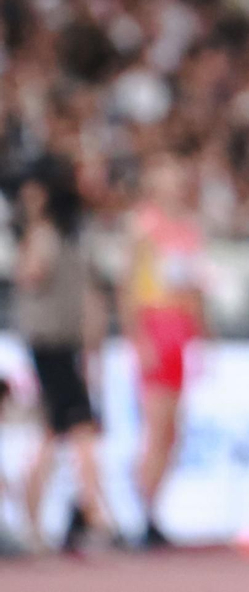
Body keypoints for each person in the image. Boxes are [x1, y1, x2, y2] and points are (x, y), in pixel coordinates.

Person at [15, 156, 117, 552]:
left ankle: (43, 524)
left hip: (54, 343)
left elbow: (31, 274)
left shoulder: (52, 235)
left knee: (56, 430)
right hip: (54, 344)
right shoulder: (65, 237)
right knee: (74, 430)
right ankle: (92, 519)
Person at [120, 150, 208, 549]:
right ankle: (142, 511)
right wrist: (138, 338)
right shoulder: (143, 226)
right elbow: (128, 288)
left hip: (181, 328)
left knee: (175, 430)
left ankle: (152, 506)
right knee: (156, 427)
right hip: (156, 326)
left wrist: (203, 335)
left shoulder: (190, 230)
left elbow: (195, 287)